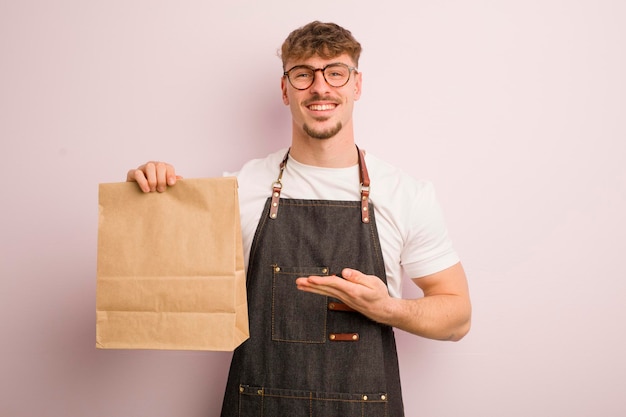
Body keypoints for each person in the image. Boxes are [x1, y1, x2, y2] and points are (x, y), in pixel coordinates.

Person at [127, 21, 471, 416]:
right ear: (285, 88)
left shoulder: (405, 194)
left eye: (335, 73)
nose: (320, 87)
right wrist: (148, 198)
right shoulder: (239, 188)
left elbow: (457, 318)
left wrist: (386, 308)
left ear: (356, 85)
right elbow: (166, 284)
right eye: (303, 74)